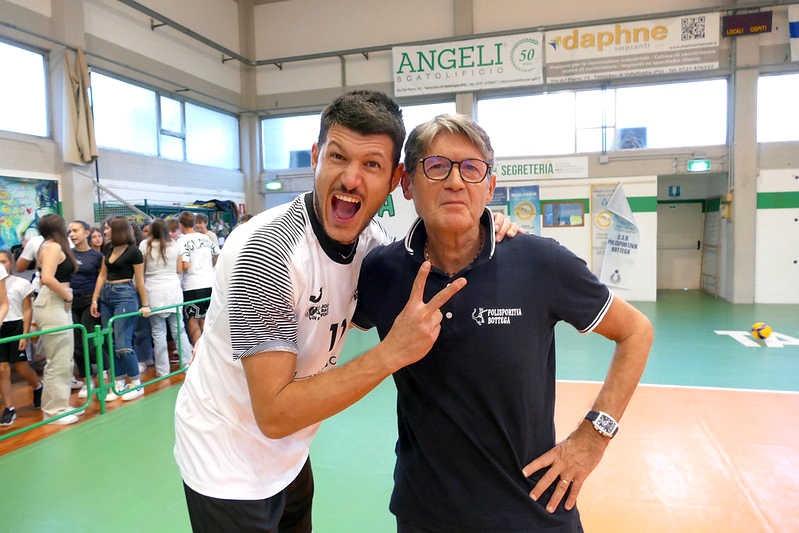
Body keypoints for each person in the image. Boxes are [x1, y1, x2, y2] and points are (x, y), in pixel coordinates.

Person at [173, 91, 521, 532]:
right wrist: (390, 354)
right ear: (315, 158)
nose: (351, 179)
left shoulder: (371, 247)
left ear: (395, 180)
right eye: (337, 157)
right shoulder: (267, 252)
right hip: (226, 459)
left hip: (290, 453)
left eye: (372, 164)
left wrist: (487, 227)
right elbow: (275, 413)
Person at [352, 114, 653, 532]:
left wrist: (593, 438)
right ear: (407, 184)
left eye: (471, 168)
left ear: (490, 186)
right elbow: (326, 330)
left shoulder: (540, 262)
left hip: (533, 511)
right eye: (436, 166)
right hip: (425, 516)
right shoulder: (382, 272)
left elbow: (636, 331)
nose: (455, 182)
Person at [90, 216, 151, 401]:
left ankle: (136, 383)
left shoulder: (134, 251)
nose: (104, 231)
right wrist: (95, 299)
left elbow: (139, 280)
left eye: (107, 228)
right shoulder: (108, 248)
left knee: (123, 342)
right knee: (110, 342)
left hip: (125, 295)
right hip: (107, 295)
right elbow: (102, 275)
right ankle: (118, 381)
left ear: (117, 230)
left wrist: (145, 304)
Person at [33, 214, 82, 425]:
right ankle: (54, 411)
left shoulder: (49, 245)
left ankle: (58, 405)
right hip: (53, 302)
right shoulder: (52, 247)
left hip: (55, 302)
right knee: (59, 360)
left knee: (62, 359)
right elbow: (47, 278)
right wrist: (67, 295)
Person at [67, 221, 115, 401]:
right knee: (77, 347)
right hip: (71, 302)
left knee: (92, 344)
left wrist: (95, 300)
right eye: (70, 231)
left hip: (90, 302)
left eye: (76, 230)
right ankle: (87, 381)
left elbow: (101, 279)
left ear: (86, 233)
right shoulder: (68, 254)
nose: (72, 234)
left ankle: (108, 378)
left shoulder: (97, 256)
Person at [140, 218, 193, 376]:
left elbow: (141, 271)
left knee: (158, 333)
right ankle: (187, 364)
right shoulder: (175, 245)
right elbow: (179, 270)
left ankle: (162, 370)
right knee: (179, 329)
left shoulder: (144, 245)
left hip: (153, 291)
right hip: (173, 290)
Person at [0, 250, 43, 426]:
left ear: (11, 262)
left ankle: (38, 386)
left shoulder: (21, 283)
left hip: (16, 326)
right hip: (2, 327)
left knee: (22, 367)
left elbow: (26, 309)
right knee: (2, 369)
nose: (1, 265)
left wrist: (25, 334)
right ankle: (9, 408)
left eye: (3, 261)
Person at [175, 211, 219, 344]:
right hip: (210, 283)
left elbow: (185, 265)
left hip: (193, 285)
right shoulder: (204, 237)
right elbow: (217, 253)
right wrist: (209, 266)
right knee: (206, 319)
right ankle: (209, 351)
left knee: (192, 319)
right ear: (194, 223)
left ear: (180, 225)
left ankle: (198, 353)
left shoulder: (181, 241)